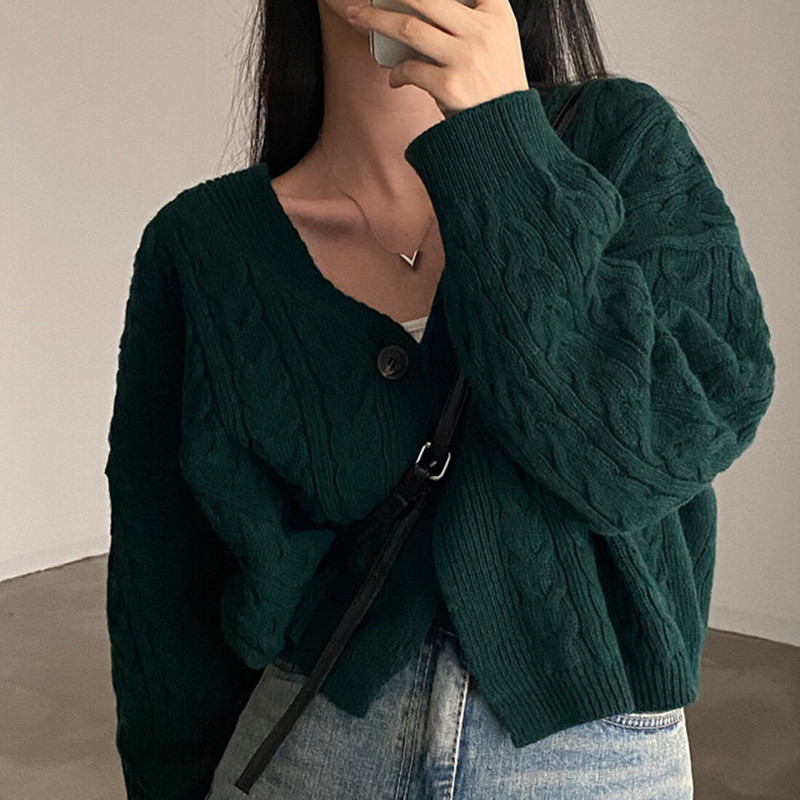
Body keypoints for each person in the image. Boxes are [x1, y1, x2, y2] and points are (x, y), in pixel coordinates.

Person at [103, 1, 776, 798]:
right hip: (309, 750)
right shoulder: (203, 245)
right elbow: (163, 597)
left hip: (591, 761)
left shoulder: (624, 143)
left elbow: (642, 462)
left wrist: (500, 145)